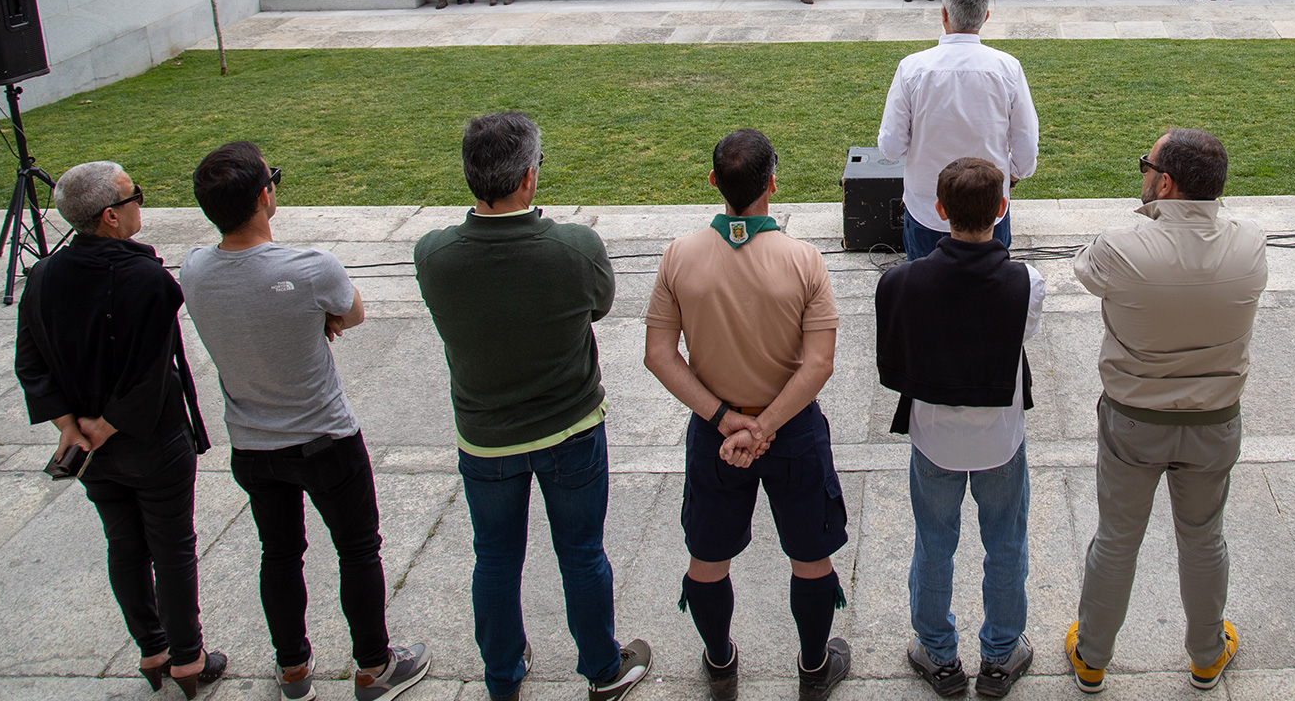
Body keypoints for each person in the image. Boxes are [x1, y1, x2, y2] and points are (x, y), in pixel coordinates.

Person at [413, 113, 652, 701]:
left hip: (486, 439)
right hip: (570, 429)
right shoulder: (574, 248)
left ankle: (502, 676)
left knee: (493, 558)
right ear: (527, 178)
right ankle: (602, 667)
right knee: (582, 552)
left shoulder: (434, 255)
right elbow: (600, 307)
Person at [180, 143, 431, 701]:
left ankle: (293, 669)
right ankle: (373, 666)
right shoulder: (311, 267)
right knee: (359, 549)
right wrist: (317, 322)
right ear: (264, 196)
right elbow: (353, 313)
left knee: (279, 552)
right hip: (326, 439)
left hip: (252, 445)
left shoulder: (194, 269)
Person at [644, 128, 851, 701]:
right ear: (772, 184)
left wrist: (723, 419)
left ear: (714, 182)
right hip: (792, 429)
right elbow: (818, 365)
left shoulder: (678, 256)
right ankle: (813, 666)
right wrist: (765, 426)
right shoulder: (803, 259)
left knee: (707, 559)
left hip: (716, 434)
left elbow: (659, 356)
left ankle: (719, 660)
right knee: (810, 556)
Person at [15, 161, 227, 698]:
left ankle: (151, 647)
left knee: (124, 544)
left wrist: (72, 428)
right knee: (172, 547)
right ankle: (187, 657)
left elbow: (30, 363)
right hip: (150, 441)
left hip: (88, 449)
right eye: (135, 194)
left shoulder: (43, 275)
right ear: (111, 216)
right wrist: (105, 426)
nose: (140, 201)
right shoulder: (146, 280)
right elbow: (150, 375)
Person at [1067, 129, 1268, 695]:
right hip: (1214, 422)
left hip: (1134, 418)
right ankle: (1207, 655)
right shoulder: (1252, 243)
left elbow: (1085, 271)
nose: (1141, 174)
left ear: (1166, 182)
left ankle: (1092, 657)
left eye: (1145, 166)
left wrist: (1145, 214)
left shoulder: (1124, 244)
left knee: (1116, 539)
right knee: (1204, 538)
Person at [876, 156, 1042, 700]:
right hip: (1000, 436)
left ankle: (938, 654)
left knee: (933, 544)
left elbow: (894, 358)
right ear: (1001, 208)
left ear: (940, 209)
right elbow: (1022, 339)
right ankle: (999, 654)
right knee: (1006, 544)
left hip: (933, 438)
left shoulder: (902, 281)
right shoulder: (1027, 282)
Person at [877, 0, 1039, 260]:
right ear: (986, 16)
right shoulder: (1008, 68)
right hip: (988, 208)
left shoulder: (913, 68)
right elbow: (1026, 144)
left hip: (928, 208)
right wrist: (1013, 173)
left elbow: (891, 147)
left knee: (928, 294)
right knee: (990, 293)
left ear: (944, 14)